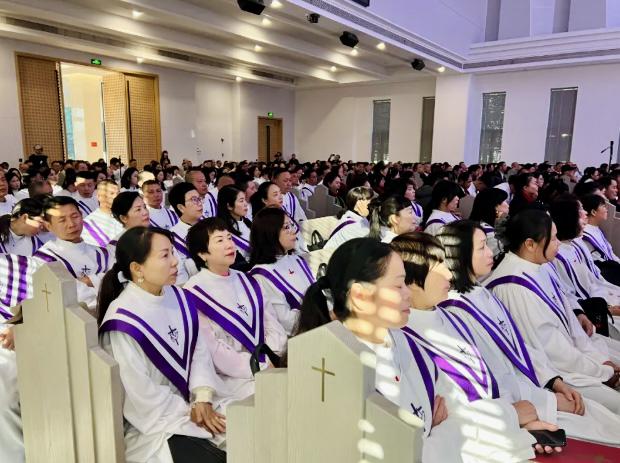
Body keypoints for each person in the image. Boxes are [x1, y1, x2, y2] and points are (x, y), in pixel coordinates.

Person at [294, 238, 538, 462]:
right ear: (359, 296)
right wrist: (437, 431)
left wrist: (433, 434)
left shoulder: (404, 342)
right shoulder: (333, 366)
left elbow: (454, 415)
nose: (409, 293)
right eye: (398, 286)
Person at [437, 220, 620, 444]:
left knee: (606, 419)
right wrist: (550, 399)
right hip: (524, 401)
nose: (491, 252)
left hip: (542, 382)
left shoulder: (480, 293)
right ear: (461, 255)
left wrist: (556, 383)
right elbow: (499, 375)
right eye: (482, 246)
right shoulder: (458, 310)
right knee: (606, 426)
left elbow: (521, 347)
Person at [98, 227, 226, 463]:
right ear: (137, 268)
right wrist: (192, 411)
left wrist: (203, 397)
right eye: (165, 255)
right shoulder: (123, 321)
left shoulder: (179, 297)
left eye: (173, 252)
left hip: (200, 404)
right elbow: (141, 394)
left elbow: (199, 353)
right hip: (160, 425)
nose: (176, 262)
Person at [486, 210, 620, 415]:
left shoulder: (539, 265)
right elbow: (551, 348)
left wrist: (599, 360)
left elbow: (568, 318)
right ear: (530, 244)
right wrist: (600, 370)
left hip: (578, 355)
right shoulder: (513, 286)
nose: (558, 243)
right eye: (554, 238)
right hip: (557, 374)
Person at [184, 218, 287, 410]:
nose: (229, 244)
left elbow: (270, 320)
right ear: (202, 253)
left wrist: (273, 356)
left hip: (270, 362)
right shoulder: (194, 292)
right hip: (233, 377)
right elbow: (213, 350)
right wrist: (260, 367)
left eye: (229, 238)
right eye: (219, 240)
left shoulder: (246, 279)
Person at [33, 196, 113, 309]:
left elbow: (119, 281)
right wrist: (101, 280)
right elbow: (66, 295)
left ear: (81, 215)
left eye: (74, 216)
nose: (71, 224)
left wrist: (90, 280)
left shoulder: (102, 253)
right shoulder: (44, 259)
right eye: (62, 220)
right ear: (48, 225)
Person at [249, 208, 315, 335]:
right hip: (299, 337)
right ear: (270, 233)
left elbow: (316, 291)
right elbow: (286, 322)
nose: (293, 231)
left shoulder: (297, 259)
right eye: (286, 227)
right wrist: (321, 314)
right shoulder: (260, 275)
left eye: (291, 225)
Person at [581, 194, 620, 286]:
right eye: (603, 206)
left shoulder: (595, 228)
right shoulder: (586, 233)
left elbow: (610, 253)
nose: (606, 210)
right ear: (594, 212)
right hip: (605, 273)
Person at [169, 182, 204, 278]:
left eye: (199, 198)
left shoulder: (211, 225)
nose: (200, 203)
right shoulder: (173, 237)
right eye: (194, 200)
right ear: (181, 207)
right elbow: (179, 276)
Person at [324, 186, 373, 251]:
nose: (371, 203)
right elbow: (371, 244)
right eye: (368, 200)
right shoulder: (354, 225)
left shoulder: (355, 217)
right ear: (358, 203)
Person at [216, 185, 252, 265]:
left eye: (245, 200)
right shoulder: (221, 229)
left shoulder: (247, 222)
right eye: (241, 201)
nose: (246, 204)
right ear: (229, 206)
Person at [81, 180, 123, 247]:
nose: (116, 197)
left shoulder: (124, 216)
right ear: (99, 196)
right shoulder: (88, 224)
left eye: (118, 193)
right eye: (111, 193)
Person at [469, 188, 509, 258]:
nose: (508, 204)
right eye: (504, 201)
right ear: (496, 206)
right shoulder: (491, 234)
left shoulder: (476, 225)